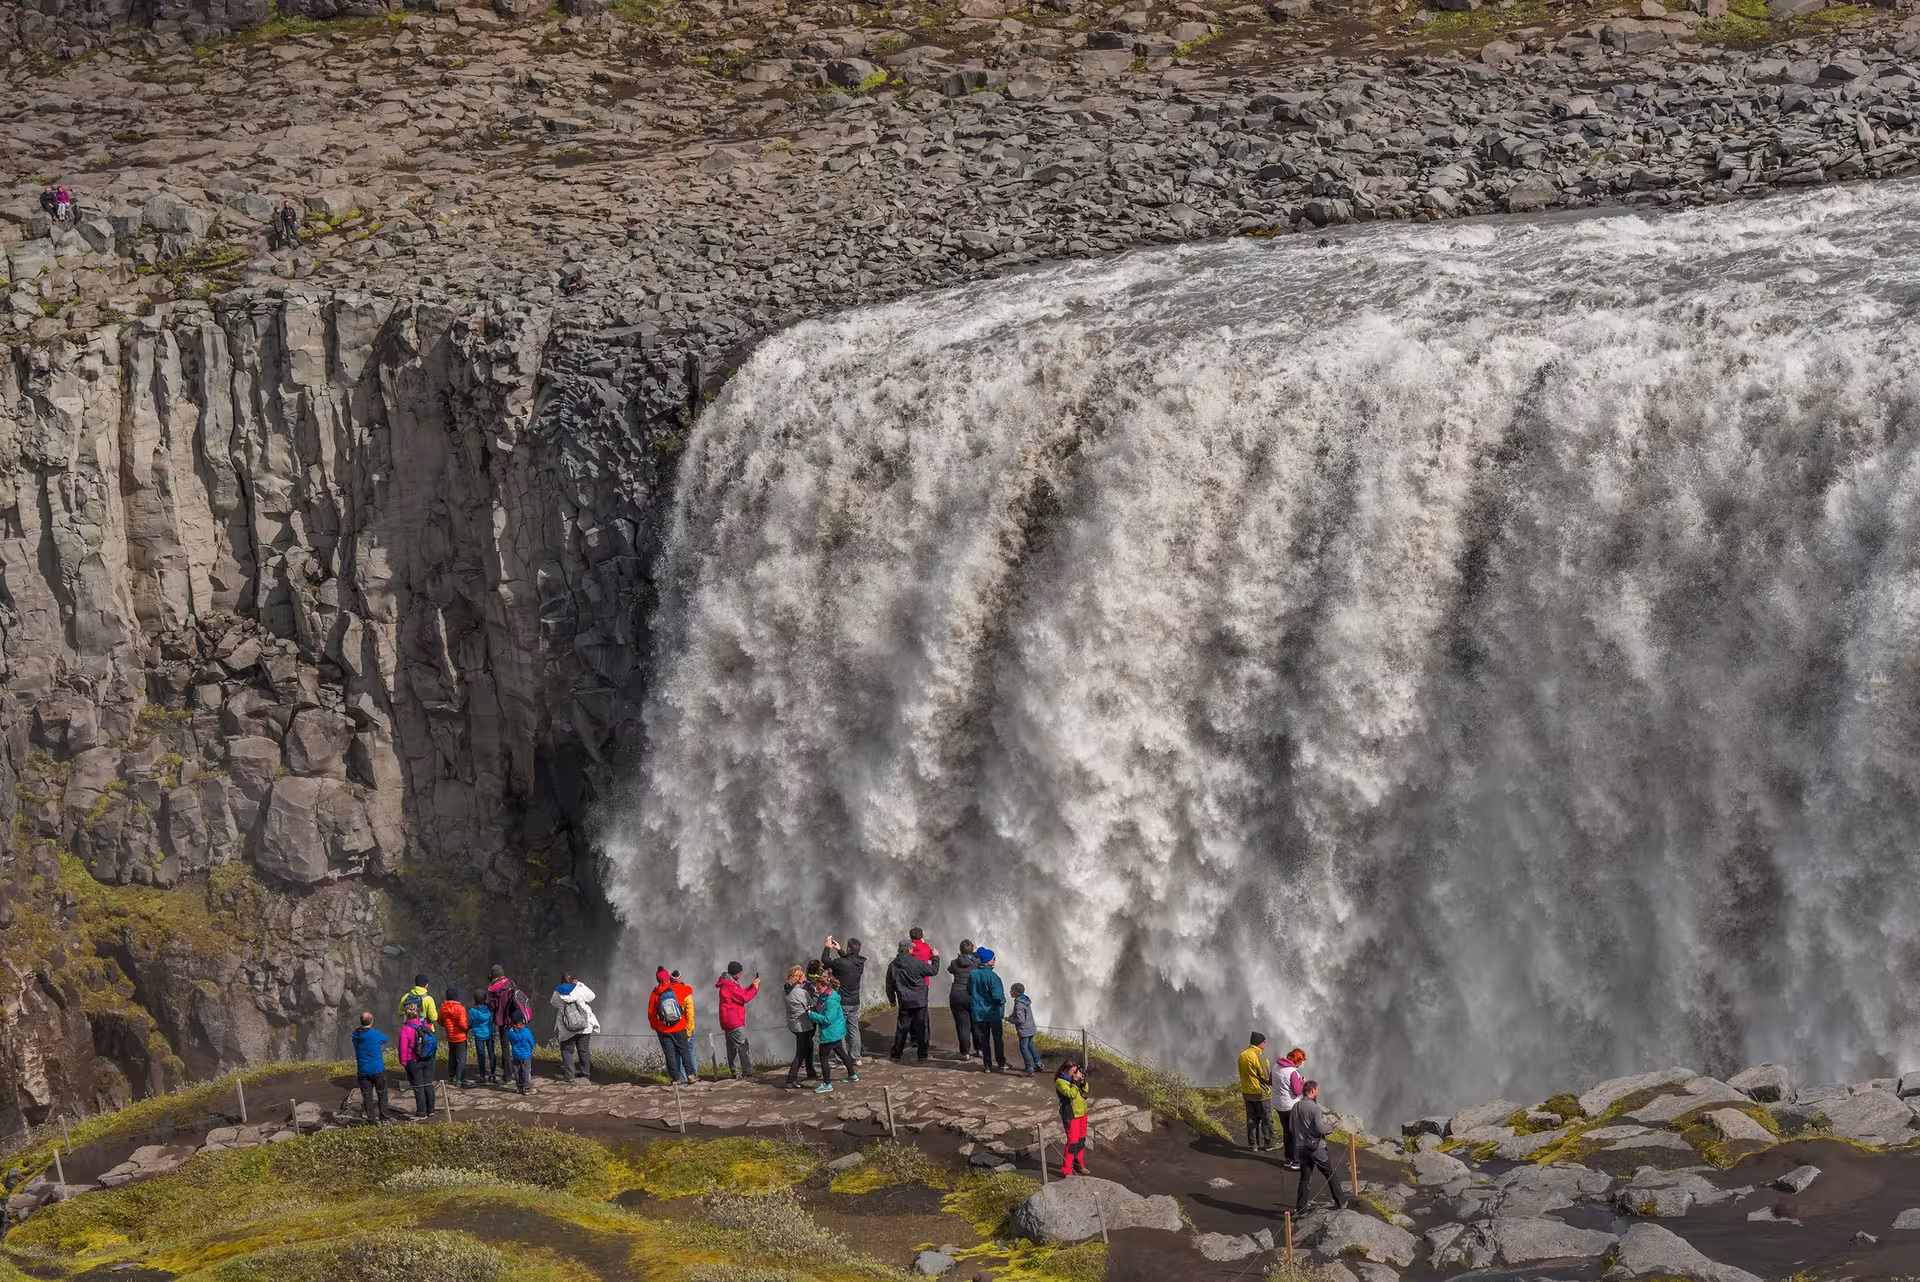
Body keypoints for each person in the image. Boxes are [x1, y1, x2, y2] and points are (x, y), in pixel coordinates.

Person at [1293, 1080, 1345, 1212]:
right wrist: (1330, 1129)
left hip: (1300, 1147)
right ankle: (1341, 1202)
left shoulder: (1296, 1106)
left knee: (1305, 1177)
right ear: (1312, 1091)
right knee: (1329, 1172)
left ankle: (1301, 1208)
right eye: (1317, 1091)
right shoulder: (1314, 1108)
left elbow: (1290, 1127)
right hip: (1316, 1147)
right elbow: (1321, 1128)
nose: (1318, 1093)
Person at [885, 938, 938, 1061]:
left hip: (904, 1001)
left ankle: (896, 1054)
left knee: (902, 1029)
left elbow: (889, 985)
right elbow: (933, 971)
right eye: (911, 947)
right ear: (909, 949)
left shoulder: (893, 965)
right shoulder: (917, 963)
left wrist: (892, 1000)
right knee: (922, 1027)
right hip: (919, 1001)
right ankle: (923, 1055)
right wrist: (936, 957)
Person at [809, 973, 858, 1092]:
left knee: (823, 1057)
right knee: (841, 1052)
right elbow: (821, 1008)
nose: (817, 989)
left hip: (830, 1033)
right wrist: (813, 1009)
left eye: (819, 987)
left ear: (826, 987)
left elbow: (827, 1019)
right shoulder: (825, 996)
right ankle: (852, 1075)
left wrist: (811, 1015)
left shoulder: (831, 1000)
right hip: (836, 1031)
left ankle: (827, 1085)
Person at [649, 966, 697, 1085]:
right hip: (679, 1026)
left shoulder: (654, 994)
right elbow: (689, 991)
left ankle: (676, 1079)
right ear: (668, 977)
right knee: (684, 1051)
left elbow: (651, 1014)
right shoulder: (677, 989)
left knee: (670, 1054)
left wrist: (656, 1027)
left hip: (663, 1029)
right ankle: (690, 1075)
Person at [821, 937, 865, 1062]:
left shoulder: (841, 963)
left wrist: (827, 947)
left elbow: (825, 960)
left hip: (843, 1001)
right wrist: (840, 950)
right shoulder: (860, 962)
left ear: (849, 948)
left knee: (839, 1029)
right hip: (855, 1001)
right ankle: (856, 1057)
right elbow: (849, 961)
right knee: (854, 1029)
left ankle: (842, 1058)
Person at [715, 962, 760, 1080]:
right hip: (734, 1020)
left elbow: (740, 992)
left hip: (726, 1020)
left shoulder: (727, 982)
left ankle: (734, 1071)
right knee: (742, 1045)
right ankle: (747, 1072)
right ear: (735, 973)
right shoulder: (730, 985)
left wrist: (751, 986)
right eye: (740, 972)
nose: (741, 974)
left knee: (731, 1047)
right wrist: (755, 988)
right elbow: (744, 997)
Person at [551, 974, 599, 1082]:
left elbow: (554, 1003)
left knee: (567, 1050)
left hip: (567, 1027)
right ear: (572, 980)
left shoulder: (557, 992)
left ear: (561, 982)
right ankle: (585, 1075)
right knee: (584, 1050)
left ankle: (569, 1076)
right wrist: (580, 984)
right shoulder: (579, 988)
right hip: (584, 1026)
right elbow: (592, 996)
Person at [969, 947, 1008, 1072]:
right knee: (997, 1038)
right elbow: (997, 997)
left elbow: (969, 990)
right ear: (988, 961)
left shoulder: (972, 974)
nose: (995, 959)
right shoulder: (994, 977)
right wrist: (1003, 1000)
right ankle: (1001, 1063)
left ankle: (987, 1065)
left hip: (979, 1012)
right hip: (993, 1013)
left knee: (984, 1039)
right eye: (993, 958)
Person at [399, 1003, 438, 1121]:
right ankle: (431, 1110)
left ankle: (421, 1113)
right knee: (428, 1084)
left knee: (419, 1086)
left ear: (406, 1016)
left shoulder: (405, 1030)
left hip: (413, 1060)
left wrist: (403, 1062)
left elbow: (402, 1049)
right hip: (429, 1058)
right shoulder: (426, 1025)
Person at [351, 1012, 390, 1124]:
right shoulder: (375, 1034)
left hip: (363, 1070)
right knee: (382, 1093)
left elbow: (357, 1033)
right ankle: (384, 1116)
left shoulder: (355, 1035)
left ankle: (371, 1119)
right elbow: (385, 1039)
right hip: (377, 1069)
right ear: (372, 1022)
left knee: (367, 1096)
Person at [1238, 1033, 1273, 1151]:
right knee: (1266, 1119)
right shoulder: (1259, 1057)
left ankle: (1253, 1145)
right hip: (1260, 1094)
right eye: (1264, 1042)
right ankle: (1269, 1144)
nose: (1265, 1044)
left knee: (1251, 1119)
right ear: (1260, 1043)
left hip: (1247, 1092)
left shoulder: (1242, 1055)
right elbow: (1266, 1076)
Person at [784, 965, 818, 1088]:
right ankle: (790, 1079)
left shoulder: (788, 989)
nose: (805, 977)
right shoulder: (801, 992)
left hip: (794, 1023)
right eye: (803, 976)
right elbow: (811, 1005)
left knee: (809, 1045)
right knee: (801, 1052)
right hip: (802, 1025)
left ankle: (811, 1072)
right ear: (798, 979)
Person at [1056, 1060, 1090, 1177]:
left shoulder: (1073, 1079)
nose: (1076, 1072)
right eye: (1074, 1070)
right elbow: (1071, 1094)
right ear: (1067, 1070)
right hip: (1071, 1115)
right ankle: (1067, 1170)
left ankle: (1079, 1164)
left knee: (1081, 1141)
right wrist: (1075, 1081)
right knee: (1072, 1142)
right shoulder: (1060, 1082)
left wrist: (1083, 1080)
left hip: (1082, 1113)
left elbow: (1085, 1091)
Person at [1274, 1047, 1307, 1168]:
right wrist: (1302, 1082)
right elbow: (1298, 1091)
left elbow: (1271, 1081)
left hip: (1278, 1105)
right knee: (1295, 1133)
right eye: (1301, 1062)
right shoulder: (1292, 1073)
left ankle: (1288, 1159)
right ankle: (1296, 1161)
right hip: (1290, 1106)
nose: (1301, 1064)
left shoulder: (1275, 1067)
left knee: (1287, 1131)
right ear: (1297, 1061)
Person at [946, 941, 980, 1059]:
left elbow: (950, 970)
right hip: (973, 995)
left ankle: (965, 1053)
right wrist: (975, 953)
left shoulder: (954, 963)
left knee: (963, 1026)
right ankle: (979, 1049)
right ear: (972, 950)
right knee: (976, 1024)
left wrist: (960, 956)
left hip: (957, 995)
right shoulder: (977, 962)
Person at [486, 966, 519, 1077]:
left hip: (502, 1021)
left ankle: (507, 1073)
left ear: (494, 976)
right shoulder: (511, 984)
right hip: (514, 1018)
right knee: (517, 1043)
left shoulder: (492, 989)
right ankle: (520, 1069)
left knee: (505, 1047)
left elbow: (492, 1007)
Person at [441, 987, 471, 1088]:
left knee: (452, 1056)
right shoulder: (460, 1008)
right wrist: (468, 1027)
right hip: (460, 1037)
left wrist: (447, 1026)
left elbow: (439, 1021)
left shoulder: (443, 1007)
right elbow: (463, 1024)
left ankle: (451, 1076)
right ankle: (459, 1079)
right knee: (461, 1058)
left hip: (450, 1036)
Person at [1009, 983, 1040, 1074]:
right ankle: (1038, 1063)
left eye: (1012, 991)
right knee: (1030, 1045)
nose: (1010, 992)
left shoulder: (1018, 1004)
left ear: (1015, 993)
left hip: (1024, 1029)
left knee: (1023, 1048)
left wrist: (1010, 1019)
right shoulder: (1025, 1000)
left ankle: (1029, 1067)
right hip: (1030, 1027)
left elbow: (1020, 1020)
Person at [469, 988, 496, 1085]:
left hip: (479, 1035)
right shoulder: (489, 1009)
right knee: (491, 1053)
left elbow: (470, 1023)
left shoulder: (472, 1011)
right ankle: (493, 1074)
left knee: (481, 1055)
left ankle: (482, 1076)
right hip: (489, 1033)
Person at [508, 1019, 536, 1095]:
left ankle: (519, 1087)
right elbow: (531, 1042)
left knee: (517, 1071)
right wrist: (532, 1047)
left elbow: (511, 1042)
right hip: (526, 1055)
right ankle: (527, 1088)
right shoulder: (526, 1032)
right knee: (526, 1071)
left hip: (516, 1055)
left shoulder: (511, 1033)